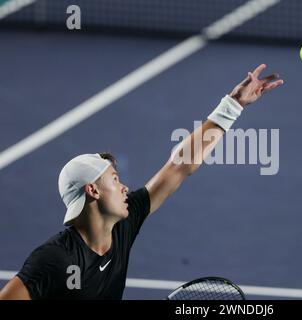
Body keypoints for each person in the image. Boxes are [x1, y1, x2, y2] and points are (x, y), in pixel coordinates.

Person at [0, 64, 283, 299]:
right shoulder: (54, 260)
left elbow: (179, 167)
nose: (124, 187)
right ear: (93, 190)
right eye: (114, 179)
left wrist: (232, 106)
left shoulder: (124, 223)